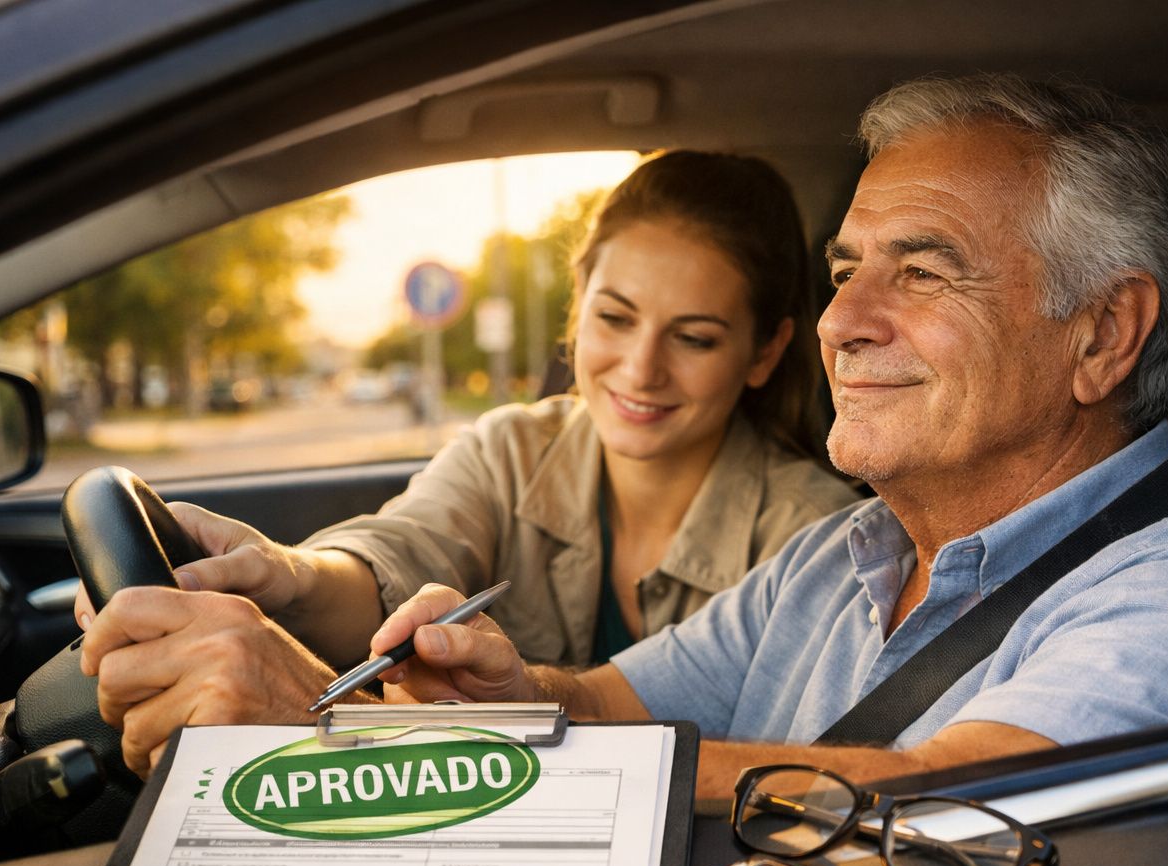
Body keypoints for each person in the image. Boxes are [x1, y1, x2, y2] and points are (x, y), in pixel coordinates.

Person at [85, 74, 1168, 798]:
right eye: (846, 269)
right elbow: (603, 709)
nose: (845, 322)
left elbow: (943, 801)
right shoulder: (847, 556)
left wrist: (343, 748)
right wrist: (487, 700)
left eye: (924, 272)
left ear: (1105, 335)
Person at [83, 150, 857, 674]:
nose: (640, 368)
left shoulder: (820, 539)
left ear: (763, 352)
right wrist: (286, 576)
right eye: (614, 319)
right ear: (577, 302)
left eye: (693, 338)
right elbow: (402, 550)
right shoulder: (510, 449)